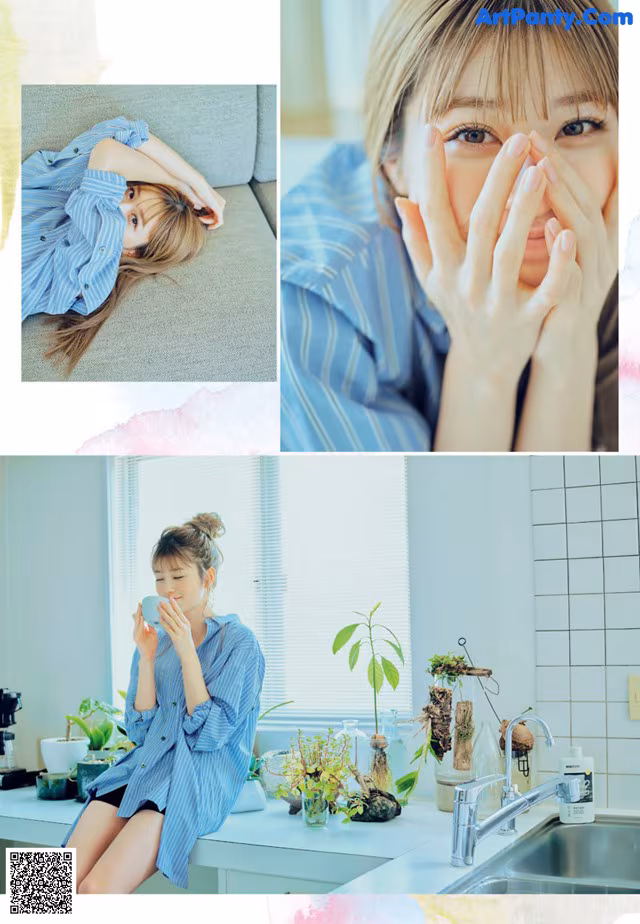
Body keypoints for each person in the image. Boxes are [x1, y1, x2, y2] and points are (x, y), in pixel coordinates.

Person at [281, 0, 618, 452]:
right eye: (474, 134)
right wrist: (484, 365)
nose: (529, 189)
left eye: (577, 125)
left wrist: (569, 341)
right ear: (392, 158)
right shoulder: (309, 307)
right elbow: (452, 518)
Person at [60, 513, 265, 894]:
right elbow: (140, 730)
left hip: (190, 778)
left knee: (93, 892)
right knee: (41, 889)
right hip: (141, 768)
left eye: (178, 576)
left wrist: (187, 648)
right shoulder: (156, 640)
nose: (167, 587)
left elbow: (210, 734)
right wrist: (148, 656)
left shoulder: (240, 643)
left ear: (208, 578)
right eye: (159, 578)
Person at [22, 116, 226, 373]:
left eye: (133, 220)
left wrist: (183, 185)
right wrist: (189, 185)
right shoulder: (71, 194)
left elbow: (108, 153)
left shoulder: (95, 264)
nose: (119, 202)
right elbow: (122, 132)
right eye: (131, 193)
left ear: (133, 252)